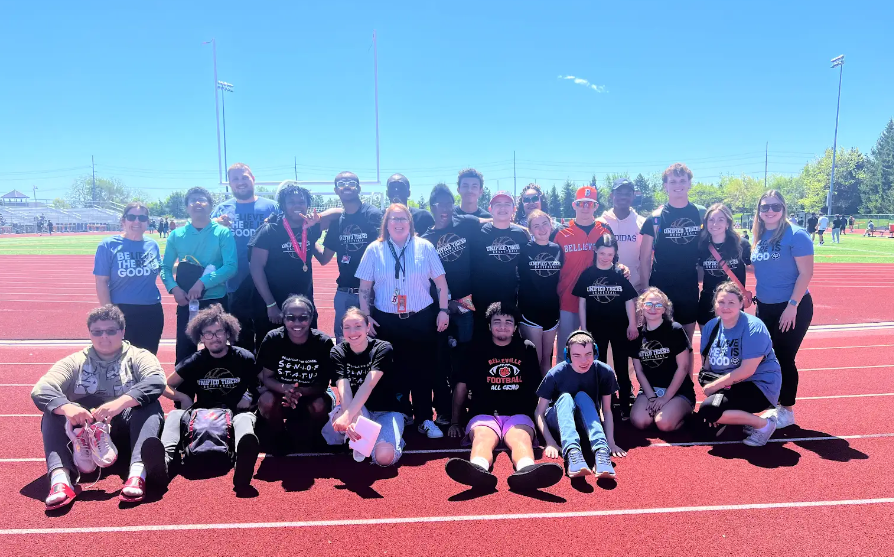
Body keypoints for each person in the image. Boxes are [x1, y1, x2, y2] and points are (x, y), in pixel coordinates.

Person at [31, 305, 166, 509]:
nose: (104, 336)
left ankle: (138, 474)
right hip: (85, 433)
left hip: (125, 429)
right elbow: (41, 389)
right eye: (97, 332)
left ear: (122, 331)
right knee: (53, 412)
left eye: (111, 331)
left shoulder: (139, 356)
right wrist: (67, 407)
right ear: (90, 334)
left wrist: (120, 403)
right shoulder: (75, 361)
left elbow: (156, 381)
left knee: (150, 406)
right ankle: (61, 480)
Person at [445, 303, 563, 491]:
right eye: (497, 321)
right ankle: (478, 470)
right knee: (483, 437)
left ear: (516, 327)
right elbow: (461, 386)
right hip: (483, 412)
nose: (503, 326)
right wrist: (455, 421)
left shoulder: (527, 348)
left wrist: (541, 424)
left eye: (509, 322)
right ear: (489, 326)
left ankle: (526, 471)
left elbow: (536, 388)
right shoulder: (476, 349)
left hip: (518, 414)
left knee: (521, 438)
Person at [356, 203, 450, 438]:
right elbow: (364, 288)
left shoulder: (425, 247)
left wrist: (444, 310)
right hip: (387, 320)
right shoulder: (373, 250)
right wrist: (366, 316)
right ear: (386, 224)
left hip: (421, 318)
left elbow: (440, 283)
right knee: (392, 370)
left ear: (410, 223)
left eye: (403, 219)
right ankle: (400, 415)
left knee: (423, 370)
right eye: (393, 219)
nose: (398, 223)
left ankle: (425, 419)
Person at [143, 304, 260, 489]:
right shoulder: (196, 360)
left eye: (219, 332)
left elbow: (261, 384)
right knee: (174, 416)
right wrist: (182, 397)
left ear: (228, 333)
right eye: (208, 333)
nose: (214, 338)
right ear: (201, 337)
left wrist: (250, 397)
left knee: (244, 419)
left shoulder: (244, 357)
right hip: (201, 414)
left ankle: (243, 466)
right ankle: (163, 463)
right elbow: (164, 384)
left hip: (235, 413)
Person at [750, 191, 813, 429]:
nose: (770, 211)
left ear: (783, 208)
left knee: (784, 357)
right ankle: (774, 404)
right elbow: (761, 267)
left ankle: (787, 410)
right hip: (765, 307)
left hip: (792, 307)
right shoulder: (760, 235)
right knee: (768, 357)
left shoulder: (796, 235)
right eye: (765, 207)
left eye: (775, 206)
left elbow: (806, 273)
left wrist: (792, 306)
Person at [422, 184, 482, 425]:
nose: (444, 209)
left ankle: (468, 408)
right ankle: (444, 410)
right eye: (439, 204)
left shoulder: (465, 223)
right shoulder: (425, 239)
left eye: (449, 203)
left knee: (465, 356)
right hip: (441, 307)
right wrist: (443, 306)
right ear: (432, 207)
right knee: (441, 359)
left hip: (467, 303)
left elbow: (494, 220)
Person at [697, 282, 782, 446]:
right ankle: (739, 419)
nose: (725, 307)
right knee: (702, 427)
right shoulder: (710, 326)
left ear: (741, 304)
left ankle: (764, 425)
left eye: (731, 303)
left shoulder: (753, 327)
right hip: (728, 385)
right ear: (715, 303)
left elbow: (747, 370)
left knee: (709, 410)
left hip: (757, 385)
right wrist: (713, 394)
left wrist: (713, 390)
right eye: (721, 302)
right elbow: (706, 365)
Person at [160, 187, 238, 364]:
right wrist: (174, 288)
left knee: (219, 347)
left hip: (215, 300)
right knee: (185, 350)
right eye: (193, 200)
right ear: (187, 207)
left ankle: (219, 385)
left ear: (211, 206)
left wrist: (202, 283)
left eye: (202, 199)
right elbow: (165, 267)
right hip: (186, 301)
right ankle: (183, 390)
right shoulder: (176, 234)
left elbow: (231, 266)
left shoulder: (222, 233)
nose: (197, 203)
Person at [326, 308, 412, 467]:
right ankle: (365, 440)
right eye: (347, 327)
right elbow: (344, 388)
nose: (353, 332)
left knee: (383, 458)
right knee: (341, 432)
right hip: (358, 407)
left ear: (368, 327)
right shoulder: (337, 352)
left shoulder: (383, 348)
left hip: (387, 409)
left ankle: (391, 439)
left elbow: (369, 384)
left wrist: (348, 416)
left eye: (358, 326)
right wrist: (351, 417)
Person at [535, 331, 625, 480]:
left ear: (595, 352)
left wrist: (611, 442)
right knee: (565, 397)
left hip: (587, 421)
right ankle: (572, 452)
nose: (584, 360)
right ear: (567, 355)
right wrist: (550, 442)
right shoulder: (555, 374)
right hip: (560, 421)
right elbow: (539, 412)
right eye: (577, 355)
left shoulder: (604, 371)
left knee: (582, 396)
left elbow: (607, 410)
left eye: (588, 354)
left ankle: (601, 452)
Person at [210, 163, 279, 352]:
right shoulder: (221, 209)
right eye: (235, 179)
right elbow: (204, 236)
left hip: (267, 281)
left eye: (244, 177)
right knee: (240, 335)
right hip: (234, 281)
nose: (240, 182)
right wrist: (215, 223)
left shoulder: (271, 207)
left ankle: (266, 377)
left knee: (268, 334)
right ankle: (246, 378)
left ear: (253, 179)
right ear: (230, 184)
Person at [248, 182, 324, 344]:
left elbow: (338, 213)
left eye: (301, 202)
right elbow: (256, 267)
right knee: (270, 352)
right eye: (291, 202)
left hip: (304, 303)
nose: (297, 206)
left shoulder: (310, 228)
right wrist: (271, 304)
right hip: (273, 303)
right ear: (283, 205)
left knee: (306, 348)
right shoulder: (269, 230)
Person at [256, 296, 335, 448]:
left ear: (311, 318)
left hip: (311, 393)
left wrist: (300, 392)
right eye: (291, 318)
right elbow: (267, 378)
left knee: (319, 405)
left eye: (303, 318)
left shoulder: (323, 342)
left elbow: (323, 384)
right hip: (281, 393)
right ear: (283, 319)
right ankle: (279, 434)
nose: (297, 323)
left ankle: (315, 435)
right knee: (265, 401)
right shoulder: (273, 339)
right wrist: (285, 389)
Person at [573, 234, 638, 418]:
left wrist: (632, 324)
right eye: (602, 253)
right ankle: (599, 404)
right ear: (596, 251)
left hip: (619, 327)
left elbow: (628, 301)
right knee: (597, 366)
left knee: (621, 367)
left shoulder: (620, 273)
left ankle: (625, 403)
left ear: (615, 253)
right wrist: (583, 327)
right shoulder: (588, 274)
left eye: (610, 254)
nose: (605, 257)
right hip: (596, 327)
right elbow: (582, 303)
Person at [639, 163, 704, 342]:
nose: (678, 185)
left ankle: (687, 372)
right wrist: (646, 291)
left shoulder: (700, 214)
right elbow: (644, 259)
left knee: (686, 340)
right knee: (659, 340)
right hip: (661, 288)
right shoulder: (654, 219)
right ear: (665, 186)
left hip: (689, 288)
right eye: (673, 181)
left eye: (682, 180)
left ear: (690, 183)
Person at [318, 171, 383, 342]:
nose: (346, 186)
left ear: (359, 188)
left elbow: (383, 250)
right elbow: (325, 258)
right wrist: (307, 239)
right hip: (344, 292)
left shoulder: (372, 214)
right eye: (341, 183)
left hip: (372, 292)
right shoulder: (337, 222)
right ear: (336, 190)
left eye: (351, 183)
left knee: (372, 340)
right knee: (343, 340)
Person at [94, 202, 164, 354]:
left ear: (147, 221)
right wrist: (109, 314)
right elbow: (101, 281)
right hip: (121, 311)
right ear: (123, 220)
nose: (137, 221)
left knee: (148, 358)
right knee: (121, 360)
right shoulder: (108, 245)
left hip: (152, 311)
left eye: (142, 218)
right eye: (131, 217)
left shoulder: (152, 245)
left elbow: (161, 269)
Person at [554, 186, 613, 347]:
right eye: (581, 203)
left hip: (598, 300)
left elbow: (614, 259)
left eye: (590, 203)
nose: (585, 207)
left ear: (596, 206)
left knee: (596, 348)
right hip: (568, 298)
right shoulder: (561, 232)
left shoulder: (605, 230)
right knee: (566, 349)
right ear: (574, 205)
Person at [629, 288, 694, 431]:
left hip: (678, 391)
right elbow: (639, 371)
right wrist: (652, 397)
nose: (653, 309)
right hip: (650, 391)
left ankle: (684, 415)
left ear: (664, 309)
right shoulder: (638, 335)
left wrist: (666, 398)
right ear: (641, 306)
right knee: (640, 421)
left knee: (664, 423)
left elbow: (683, 367)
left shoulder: (675, 329)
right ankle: (660, 410)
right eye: (649, 304)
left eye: (658, 305)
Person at [470, 191, 530, 326]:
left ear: (514, 209)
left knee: (507, 337)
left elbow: (525, 266)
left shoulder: (521, 234)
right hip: (483, 297)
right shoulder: (479, 232)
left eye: (507, 204)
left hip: (510, 296)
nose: (502, 208)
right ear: (490, 209)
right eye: (498, 204)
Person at [518, 209, 563, 375]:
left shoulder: (558, 249)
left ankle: (546, 398)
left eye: (545, 224)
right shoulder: (524, 250)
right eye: (536, 226)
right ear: (530, 230)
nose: (542, 228)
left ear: (551, 225)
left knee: (546, 359)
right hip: (530, 311)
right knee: (533, 359)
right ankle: (531, 398)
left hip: (551, 310)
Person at [697, 203, 751, 328]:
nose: (715, 224)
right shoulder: (702, 245)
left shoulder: (741, 245)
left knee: (734, 344)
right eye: (711, 220)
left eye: (720, 220)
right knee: (709, 345)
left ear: (728, 223)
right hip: (708, 303)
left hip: (732, 303)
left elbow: (755, 269)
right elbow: (700, 276)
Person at [598, 178, 647, 290]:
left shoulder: (643, 223)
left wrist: (644, 285)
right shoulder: (600, 223)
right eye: (619, 193)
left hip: (635, 288)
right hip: (606, 288)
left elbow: (647, 258)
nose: (623, 197)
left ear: (634, 196)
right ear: (611, 195)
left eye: (627, 193)